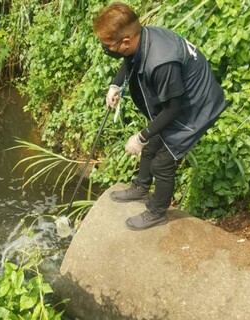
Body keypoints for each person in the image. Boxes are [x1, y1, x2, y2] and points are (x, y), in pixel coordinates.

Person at [92, 2, 227, 230]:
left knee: (163, 163)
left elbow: (173, 110)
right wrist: (115, 85)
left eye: (108, 45)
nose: (106, 49)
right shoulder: (141, 38)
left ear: (125, 41)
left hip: (195, 108)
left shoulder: (161, 62)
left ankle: (157, 212)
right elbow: (130, 60)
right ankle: (141, 188)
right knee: (152, 145)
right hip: (177, 101)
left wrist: (141, 137)